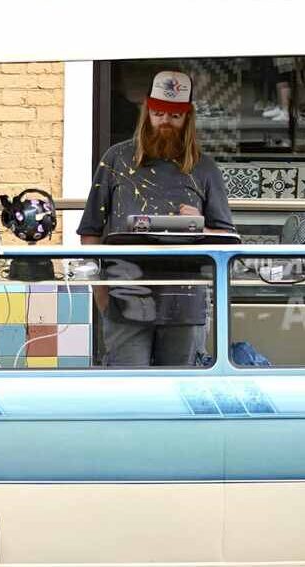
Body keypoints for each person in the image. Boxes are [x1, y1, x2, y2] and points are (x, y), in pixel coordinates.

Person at [78, 70, 235, 367]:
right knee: (129, 391)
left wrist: (201, 224)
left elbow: (227, 241)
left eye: (174, 116)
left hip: (187, 301)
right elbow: (90, 232)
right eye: (158, 113)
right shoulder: (116, 160)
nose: (165, 122)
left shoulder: (205, 169)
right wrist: (101, 296)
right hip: (124, 297)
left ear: (187, 119)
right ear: (146, 112)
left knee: (182, 393)